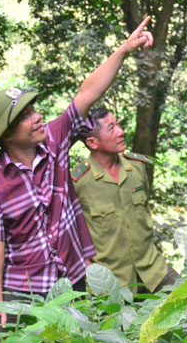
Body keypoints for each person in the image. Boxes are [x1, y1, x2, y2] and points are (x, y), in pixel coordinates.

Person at [0, 17, 154, 336]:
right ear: (8, 135)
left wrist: (124, 50)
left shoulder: (54, 139)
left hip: (72, 278)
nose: (37, 116)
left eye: (33, 109)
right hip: (23, 286)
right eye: (25, 116)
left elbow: (87, 93)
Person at [71, 108, 178, 293]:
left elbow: (144, 210)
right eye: (111, 128)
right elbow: (72, 235)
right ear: (92, 142)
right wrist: (90, 272)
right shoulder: (78, 182)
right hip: (111, 282)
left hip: (153, 270)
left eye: (118, 124)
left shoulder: (137, 168)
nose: (121, 132)